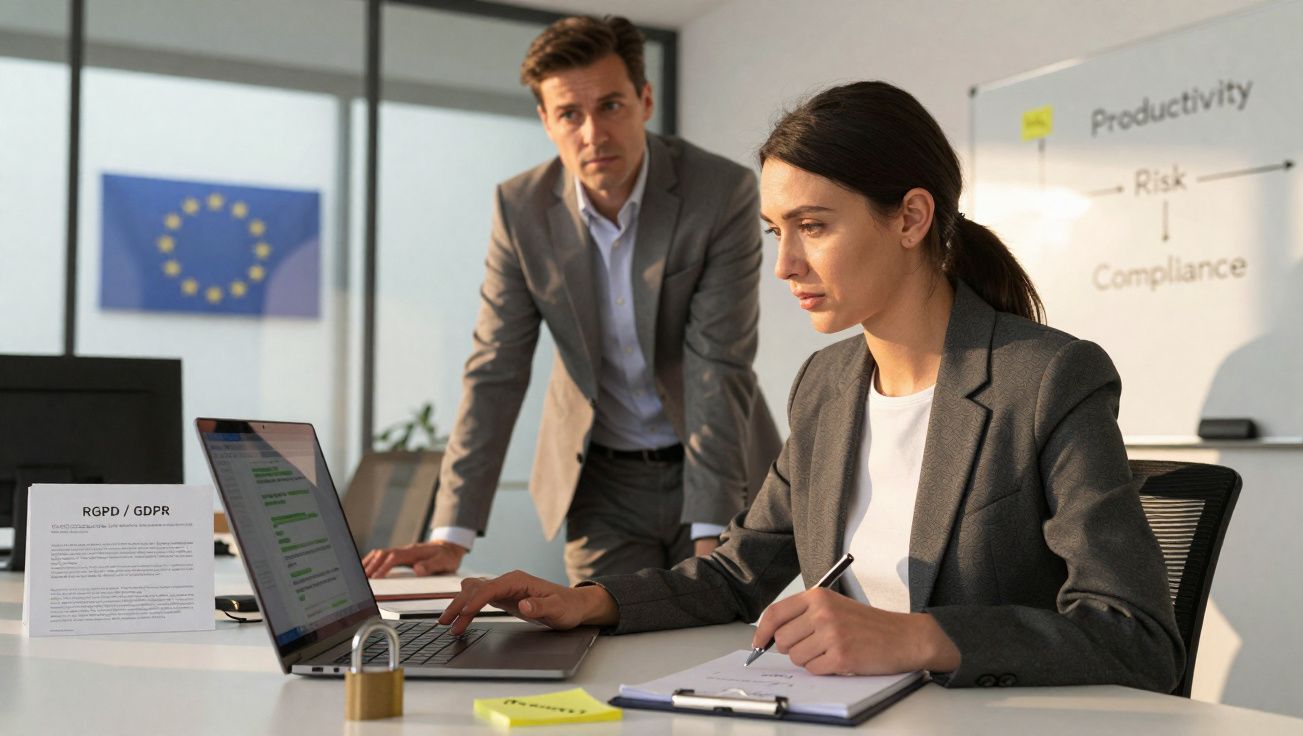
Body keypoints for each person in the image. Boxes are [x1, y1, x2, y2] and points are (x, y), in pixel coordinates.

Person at [432, 81, 1187, 691]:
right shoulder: (827, 386)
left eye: (813, 226)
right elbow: (739, 573)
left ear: (911, 218)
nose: (785, 264)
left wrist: (919, 637)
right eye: (774, 231)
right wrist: (590, 601)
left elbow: (1138, 637)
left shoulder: (1049, 380)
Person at [362, 16, 780, 585]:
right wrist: (450, 535)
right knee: (597, 639)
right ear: (546, 120)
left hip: (715, 467)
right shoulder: (521, 209)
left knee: (713, 646)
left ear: (645, 100)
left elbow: (717, 365)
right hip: (600, 480)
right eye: (569, 114)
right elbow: (496, 367)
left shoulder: (719, 192)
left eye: (610, 105)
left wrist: (711, 531)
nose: (593, 134)